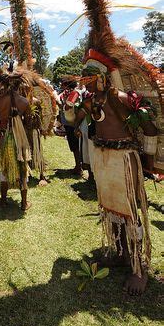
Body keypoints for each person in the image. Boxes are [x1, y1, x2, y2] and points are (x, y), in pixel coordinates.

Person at [80, 49, 157, 296]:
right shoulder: (91, 101)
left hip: (124, 160)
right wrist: (73, 104)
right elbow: (71, 120)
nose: (87, 83)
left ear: (103, 77)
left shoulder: (122, 99)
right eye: (85, 78)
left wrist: (147, 162)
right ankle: (122, 254)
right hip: (103, 160)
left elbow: (150, 129)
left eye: (90, 78)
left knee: (131, 213)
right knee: (111, 210)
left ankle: (139, 268)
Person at [0, 70, 32, 211]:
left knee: (5, 167)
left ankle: (3, 201)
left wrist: (3, 116)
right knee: (22, 167)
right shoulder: (24, 102)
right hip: (20, 138)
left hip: (3, 136)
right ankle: (24, 203)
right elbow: (28, 122)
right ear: (18, 85)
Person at [58, 77, 85, 177]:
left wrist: (63, 105)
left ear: (67, 85)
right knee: (75, 146)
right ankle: (78, 166)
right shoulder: (71, 93)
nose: (61, 86)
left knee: (75, 146)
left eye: (63, 84)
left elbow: (69, 105)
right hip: (71, 124)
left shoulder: (74, 93)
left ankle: (79, 167)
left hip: (73, 124)